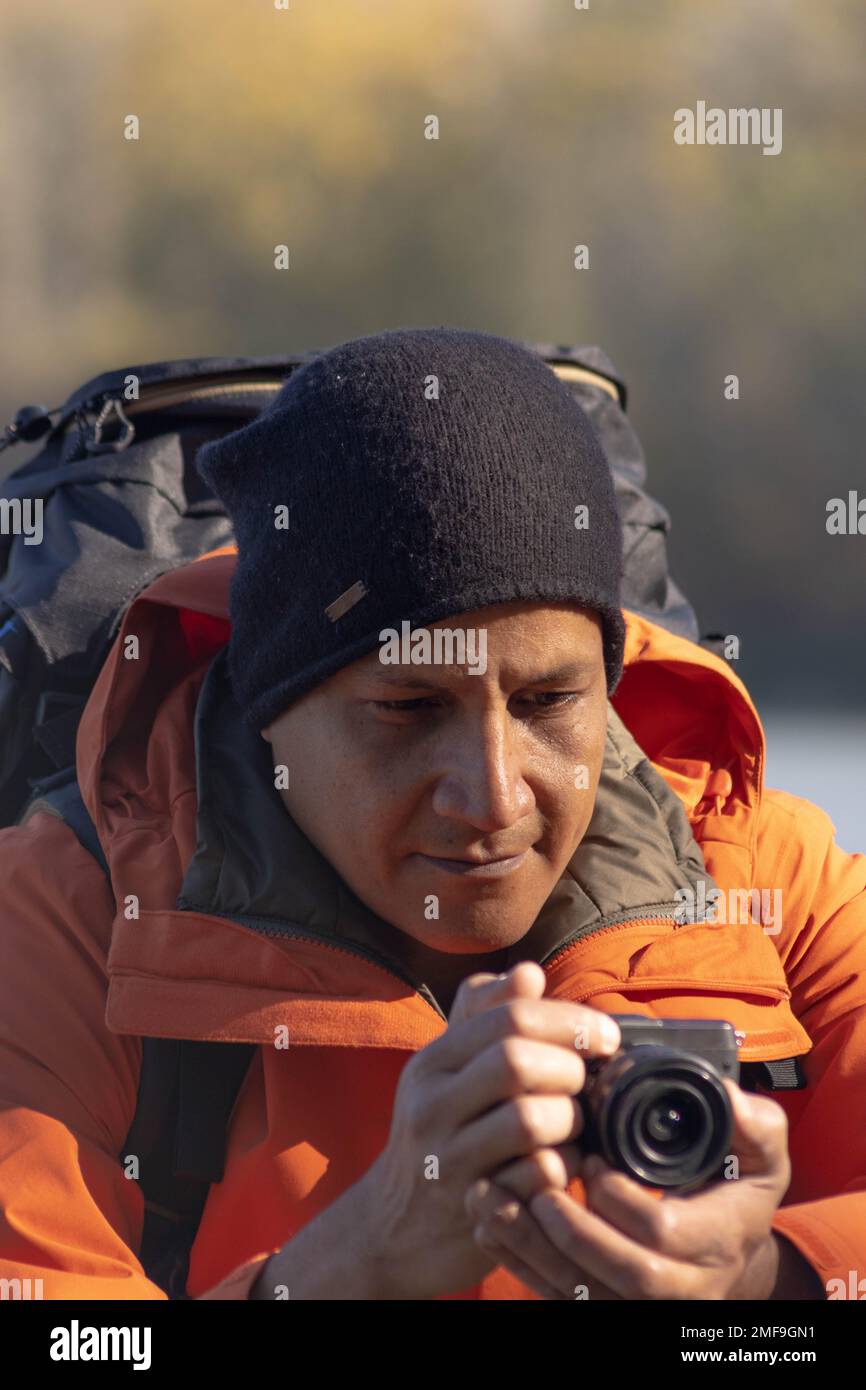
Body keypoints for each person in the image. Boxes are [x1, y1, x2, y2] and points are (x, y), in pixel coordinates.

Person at [0, 327, 863, 1301]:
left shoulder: (761, 879)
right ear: (267, 709)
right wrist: (348, 1267)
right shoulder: (63, 915)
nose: (491, 797)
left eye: (548, 703)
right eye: (407, 711)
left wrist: (762, 1284)